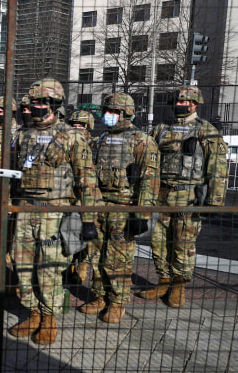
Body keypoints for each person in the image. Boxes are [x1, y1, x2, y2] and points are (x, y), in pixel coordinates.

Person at [9, 78, 101, 345]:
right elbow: (17, 176)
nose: (33, 106)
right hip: (26, 209)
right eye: (32, 102)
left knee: (49, 268)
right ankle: (34, 312)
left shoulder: (72, 136)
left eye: (39, 102)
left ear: (53, 104)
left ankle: (50, 318)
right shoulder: (23, 134)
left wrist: (89, 219)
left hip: (55, 211)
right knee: (23, 266)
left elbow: (87, 179)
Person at [142, 86, 227, 308]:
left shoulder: (206, 131)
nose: (179, 105)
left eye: (185, 101)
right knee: (158, 242)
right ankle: (163, 280)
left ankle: (178, 286)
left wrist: (214, 203)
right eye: (177, 101)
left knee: (183, 244)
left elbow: (218, 169)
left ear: (195, 104)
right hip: (161, 195)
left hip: (188, 196)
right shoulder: (161, 129)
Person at [77, 93, 159, 323]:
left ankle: (118, 302)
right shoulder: (100, 139)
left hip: (124, 208)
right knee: (96, 257)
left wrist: (142, 213)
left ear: (125, 114)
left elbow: (149, 178)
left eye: (113, 112)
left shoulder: (141, 140)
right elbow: (89, 175)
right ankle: (99, 296)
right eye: (106, 111)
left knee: (118, 259)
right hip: (100, 206)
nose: (107, 115)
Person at [67, 110, 98, 284]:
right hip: (70, 196)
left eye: (81, 125)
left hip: (87, 196)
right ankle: (71, 264)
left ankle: (83, 265)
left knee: (87, 236)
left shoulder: (95, 144)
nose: (76, 128)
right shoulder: (67, 142)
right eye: (74, 125)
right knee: (70, 232)